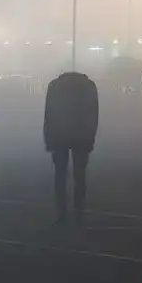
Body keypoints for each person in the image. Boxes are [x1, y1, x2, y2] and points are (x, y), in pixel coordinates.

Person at [44, 71, 99, 226]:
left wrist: (48, 139)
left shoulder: (54, 86)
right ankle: (79, 211)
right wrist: (91, 137)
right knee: (80, 175)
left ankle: (61, 212)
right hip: (82, 136)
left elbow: (49, 114)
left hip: (59, 135)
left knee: (60, 176)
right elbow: (94, 114)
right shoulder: (89, 86)